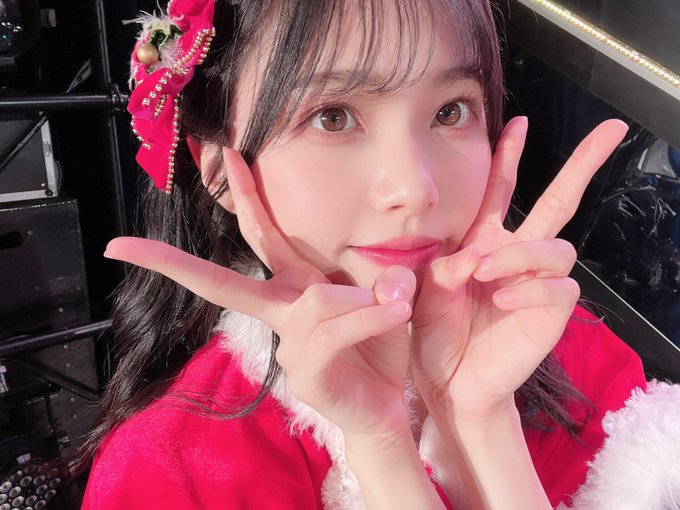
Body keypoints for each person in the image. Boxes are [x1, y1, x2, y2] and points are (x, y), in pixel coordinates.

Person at [79, 0, 680, 509]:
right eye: (333, 117)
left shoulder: (571, 352)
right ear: (218, 169)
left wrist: (480, 421)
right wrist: (381, 441)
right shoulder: (175, 467)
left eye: (450, 112)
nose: (415, 188)